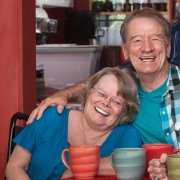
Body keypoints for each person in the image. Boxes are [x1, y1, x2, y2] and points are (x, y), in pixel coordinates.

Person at [27, 8, 180, 179]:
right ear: (125, 51)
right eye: (137, 40)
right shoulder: (123, 87)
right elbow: (95, 83)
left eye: (155, 39)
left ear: (168, 48)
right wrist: (64, 94)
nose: (146, 48)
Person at [6, 67, 142, 179]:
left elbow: (129, 163)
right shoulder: (51, 116)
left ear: (125, 111)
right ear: (88, 93)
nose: (106, 103)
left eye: (117, 102)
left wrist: (74, 170)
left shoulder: (127, 134)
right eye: (101, 94)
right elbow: (14, 167)